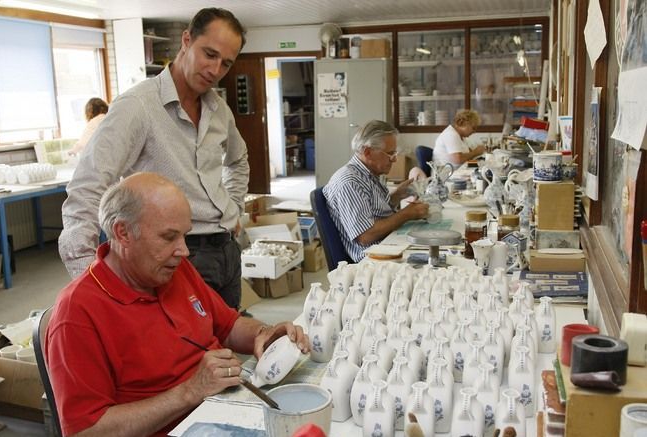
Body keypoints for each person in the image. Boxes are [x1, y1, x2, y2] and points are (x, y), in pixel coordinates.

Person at [46, 172, 309, 437]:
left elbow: (227, 326)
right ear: (122, 233)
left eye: (184, 235)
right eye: (169, 237)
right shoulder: (77, 314)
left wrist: (263, 333)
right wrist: (190, 391)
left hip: (222, 409)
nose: (183, 250)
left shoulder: (172, 269)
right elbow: (86, 431)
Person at [59, 8, 250, 310]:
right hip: (177, 256)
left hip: (226, 249)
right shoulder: (137, 107)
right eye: (209, 54)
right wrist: (89, 278)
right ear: (186, 40)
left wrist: (234, 207)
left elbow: (238, 160)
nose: (215, 70)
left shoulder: (218, 109)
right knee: (184, 354)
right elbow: (86, 188)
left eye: (225, 63)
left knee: (226, 349)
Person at [322, 120, 429, 262]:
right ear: (367, 152)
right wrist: (407, 213)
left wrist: (397, 195)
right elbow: (365, 235)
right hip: (373, 258)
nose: (395, 159)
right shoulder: (349, 182)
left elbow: (374, 210)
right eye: (390, 153)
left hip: (388, 243)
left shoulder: (369, 173)